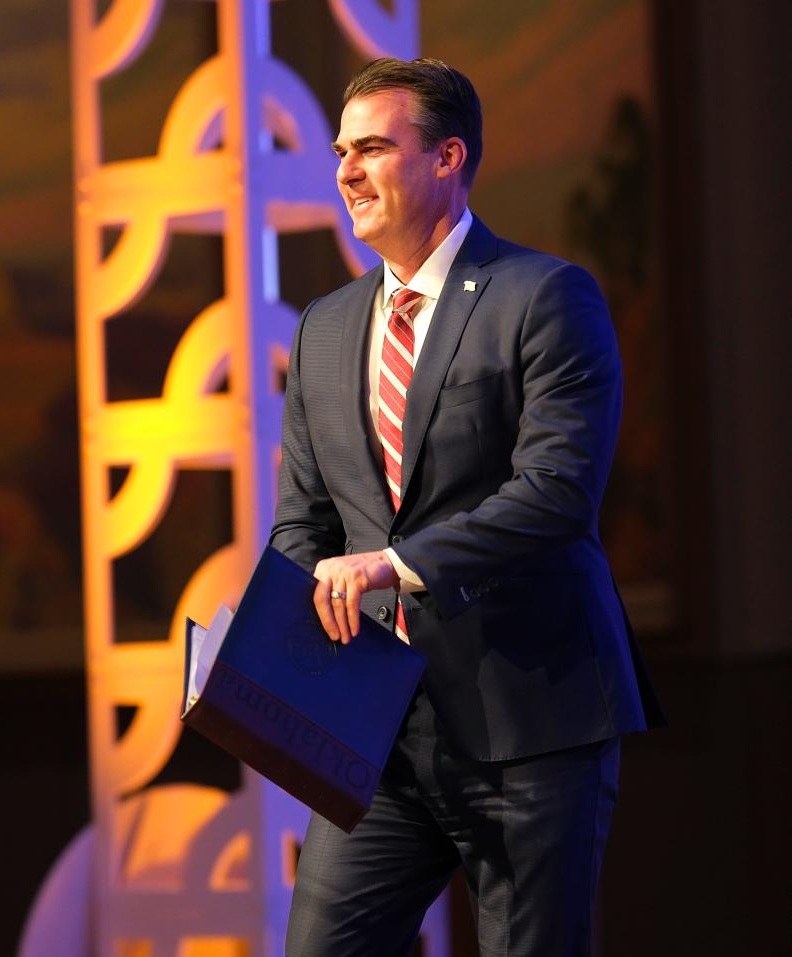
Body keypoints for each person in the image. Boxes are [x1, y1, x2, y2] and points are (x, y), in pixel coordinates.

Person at [270, 57, 664, 956]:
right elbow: (305, 521)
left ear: (448, 157)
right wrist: (274, 652)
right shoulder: (325, 325)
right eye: (340, 150)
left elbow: (556, 493)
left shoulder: (545, 296)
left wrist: (397, 566)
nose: (346, 170)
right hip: (379, 734)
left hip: (529, 717)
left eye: (373, 146)